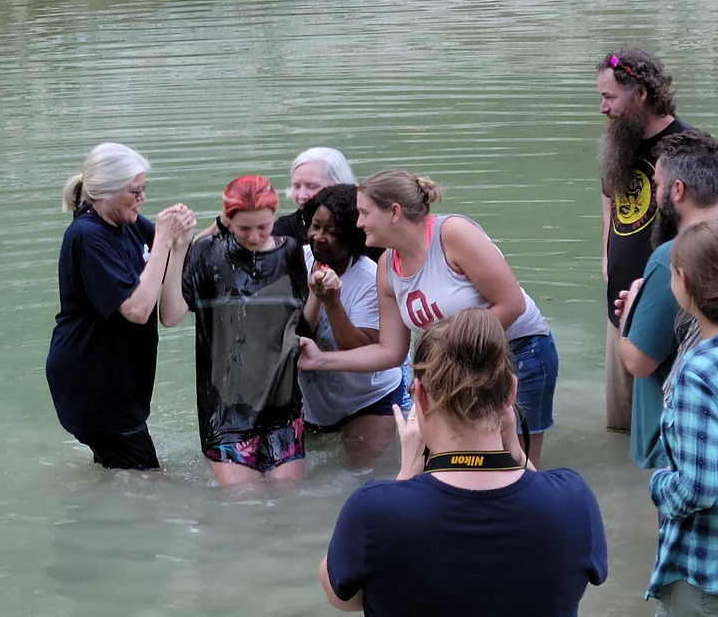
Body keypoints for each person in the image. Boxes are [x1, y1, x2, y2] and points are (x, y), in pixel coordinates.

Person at [318, 309, 608, 616]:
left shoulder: (374, 510)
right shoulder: (574, 500)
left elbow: (339, 595)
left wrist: (406, 477)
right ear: (510, 392)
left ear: (420, 396)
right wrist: (517, 454)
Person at [298, 170, 556, 465]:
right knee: (446, 464)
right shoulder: (386, 266)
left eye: (364, 213)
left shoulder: (452, 234)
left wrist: (441, 361)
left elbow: (511, 305)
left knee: (513, 464)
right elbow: (391, 352)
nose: (357, 223)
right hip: (454, 368)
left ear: (394, 212)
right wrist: (320, 360)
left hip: (519, 352)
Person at [596, 48, 718, 431]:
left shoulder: (690, 147)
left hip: (675, 310)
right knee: (622, 427)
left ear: (640, 94)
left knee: (670, 429)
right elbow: (610, 195)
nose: (602, 108)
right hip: (622, 307)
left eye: (609, 97)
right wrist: (605, 253)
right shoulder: (618, 141)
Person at [45, 143, 196, 470]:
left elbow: (168, 310)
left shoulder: (132, 225)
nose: (142, 198)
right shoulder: (86, 236)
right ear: (106, 193)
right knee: (152, 490)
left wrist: (187, 241)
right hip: (93, 385)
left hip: (122, 384)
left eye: (143, 189)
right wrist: (164, 242)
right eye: (135, 191)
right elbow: (137, 309)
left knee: (124, 476)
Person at [162, 175, 309, 486]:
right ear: (226, 219)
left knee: (292, 500)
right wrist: (178, 251)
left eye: (264, 227)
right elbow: (171, 316)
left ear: (275, 217)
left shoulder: (291, 251)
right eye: (244, 229)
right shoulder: (207, 253)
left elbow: (301, 320)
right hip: (226, 411)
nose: (255, 237)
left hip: (282, 406)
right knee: (243, 505)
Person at [645, 221, 718, 614]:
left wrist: (660, 483)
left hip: (708, 580)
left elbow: (699, 487)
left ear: (682, 281)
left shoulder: (700, 372)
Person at [616, 131, 718, 469]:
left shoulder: (674, 256)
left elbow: (639, 361)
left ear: (677, 190)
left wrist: (630, 314)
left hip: (679, 439)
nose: (654, 194)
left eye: (656, 184)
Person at [299, 184, 406, 467]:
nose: (319, 238)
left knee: (360, 473)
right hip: (312, 404)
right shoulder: (295, 261)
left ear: (352, 237)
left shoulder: (369, 280)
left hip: (368, 399)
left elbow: (360, 352)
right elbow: (289, 337)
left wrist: (332, 303)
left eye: (331, 232)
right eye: (315, 227)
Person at [273, 147, 358, 245]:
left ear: (337, 185)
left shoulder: (363, 226)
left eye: (312, 186)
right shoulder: (282, 231)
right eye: (296, 186)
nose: (302, 195)